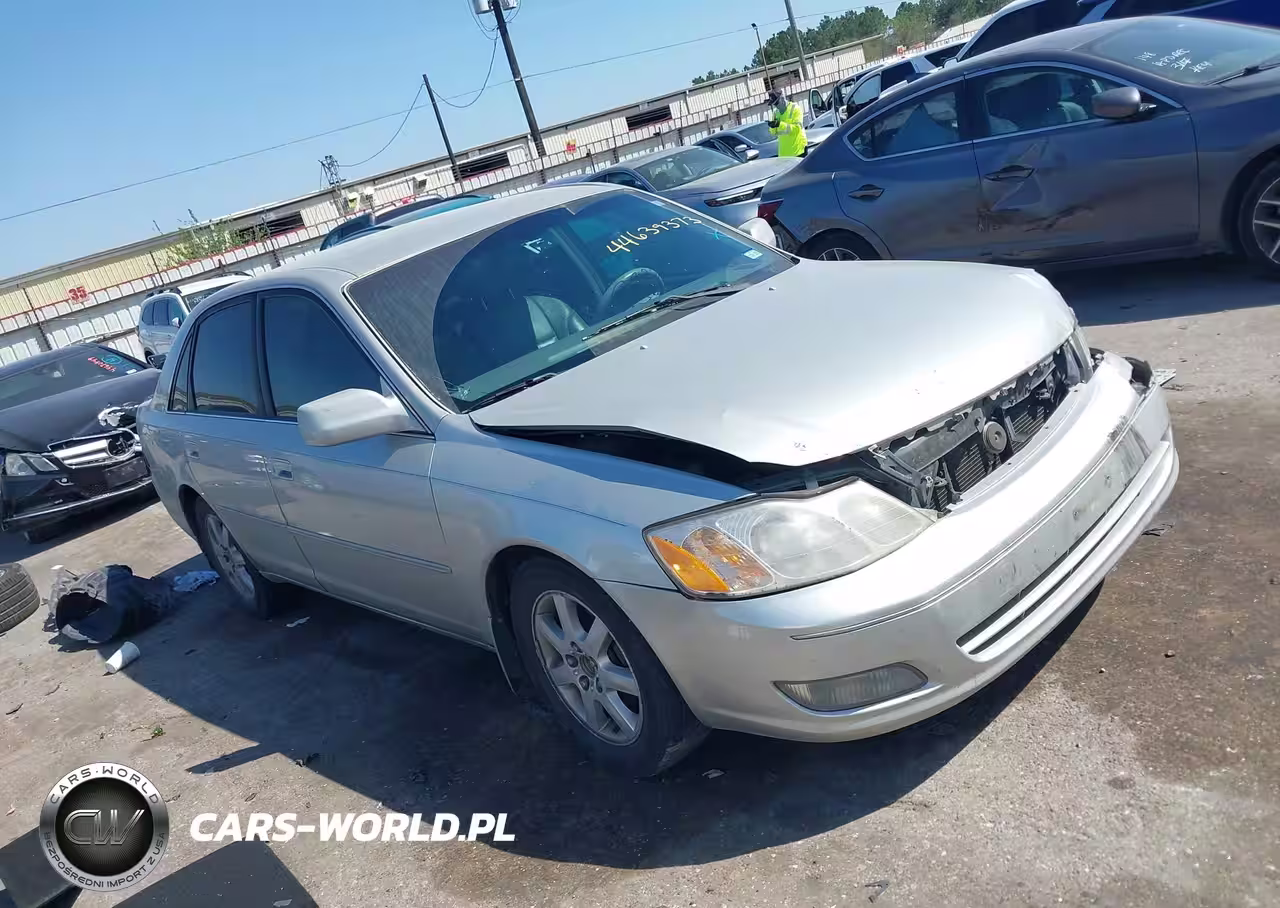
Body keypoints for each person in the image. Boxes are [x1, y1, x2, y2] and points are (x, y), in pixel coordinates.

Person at [767, 88, 807, 158]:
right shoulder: (776, 112)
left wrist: (780, 124)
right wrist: (772, 126)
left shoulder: (795, 108)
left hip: (798, 151)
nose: (775, 106)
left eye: (776, 103)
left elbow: (797, 129)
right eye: (774, 104)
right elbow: (773, 133)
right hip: (784, 154)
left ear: (782, 99)